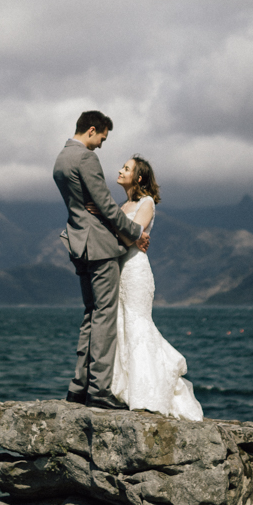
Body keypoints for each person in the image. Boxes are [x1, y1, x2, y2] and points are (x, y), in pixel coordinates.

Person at [53, 110, 148, 409]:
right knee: (105, 317)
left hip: (77, 244)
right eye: (102, 138)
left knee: (90, 315)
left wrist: (93, 206)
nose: (101, 146)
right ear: (92, 130)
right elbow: (105, 204)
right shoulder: (85, 158)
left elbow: (86, 203)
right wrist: (135, 232)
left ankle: (77, 387)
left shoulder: (60, 159)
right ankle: (99, 391)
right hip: (100, 247)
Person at [108, 156, 203, 420]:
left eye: (126, 168)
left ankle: (146, 393)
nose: (120, 170)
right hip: (119, 271)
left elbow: (130, 236)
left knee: (138, 324)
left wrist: (130, 235)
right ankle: (124, 390)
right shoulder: (122, 205)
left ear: (138, 177)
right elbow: (129, 235)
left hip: (136, 271)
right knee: (122, 324)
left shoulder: (146, 202)